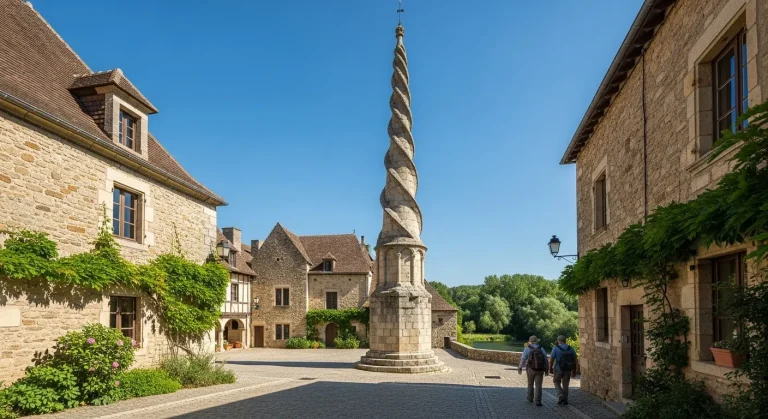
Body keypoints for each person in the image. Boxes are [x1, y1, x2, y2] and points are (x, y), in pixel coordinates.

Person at [518, 335, 549, 406]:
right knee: (538, 385)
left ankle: (530, 398)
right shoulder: (541, 348)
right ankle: (538, 401)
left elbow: (523, 359)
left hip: (530, 369)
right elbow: (545, 359)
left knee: (530, 383)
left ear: (530, 341)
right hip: (540, 370)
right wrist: (546, 369)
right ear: (536, 341)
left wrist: (520, 367)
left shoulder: (527, 348)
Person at [549, 335, 578, 406]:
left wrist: (550, 368)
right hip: (568, 369)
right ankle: (565, 400)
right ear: (565, 341)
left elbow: (552, 359)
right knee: (565, 384)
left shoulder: (555, 348)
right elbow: (575, 360)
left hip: (558, 368)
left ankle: (560, 396)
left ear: (558, 341)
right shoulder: (570, 348)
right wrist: (574, 370)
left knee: (556, 382)